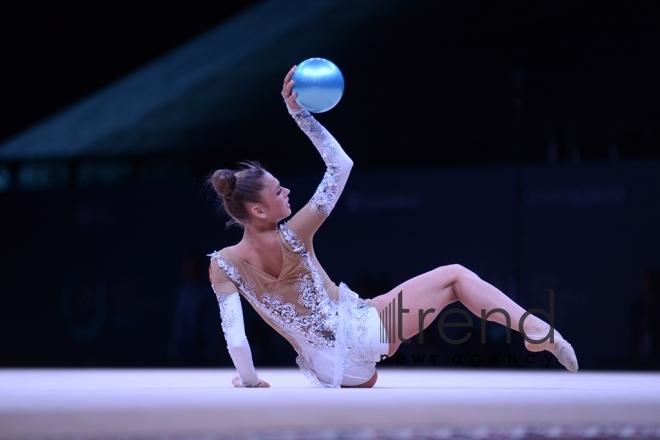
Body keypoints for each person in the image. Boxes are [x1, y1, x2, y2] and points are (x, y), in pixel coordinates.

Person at [207, 66, 579, 388]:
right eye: (277, 190)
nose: (287, 190)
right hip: (359, 338)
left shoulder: (222, 264)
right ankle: (535, 331)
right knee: (454, 278)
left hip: (331, 371)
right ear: (257, 209)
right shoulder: (295, 233)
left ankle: (374, 341)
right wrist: (300, 116)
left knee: (372, 313)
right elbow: (340, 166)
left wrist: (251, 380)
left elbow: (237, 340)